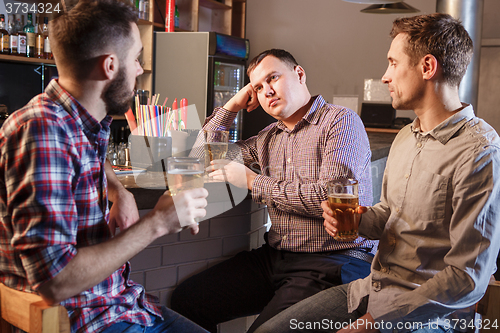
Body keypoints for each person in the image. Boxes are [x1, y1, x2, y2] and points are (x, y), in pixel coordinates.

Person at [253, 13, 500, 333]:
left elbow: (468, 278)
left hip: (428, 312)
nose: (385, 77)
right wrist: (358, 219)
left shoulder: (479, 152)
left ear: (427, 67)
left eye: (393, 64)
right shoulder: (406, 137)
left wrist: (376, 323)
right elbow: (390, 215)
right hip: (371, 288)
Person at [0, 0, 209, 332]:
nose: (140, 69)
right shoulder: (43, 131)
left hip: (122, 305)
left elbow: (87, 157)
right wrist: (158, 222)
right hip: (87, 320)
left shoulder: (81, 122)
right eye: (136, 59)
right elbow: (55, 280)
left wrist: (118, 188)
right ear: (110, 66)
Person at [171, 48, 376, 333]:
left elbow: (331, 200)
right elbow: (198, 158)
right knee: (188, 301)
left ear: (299, 74)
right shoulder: (268, 138)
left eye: (273, 78)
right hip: (275, 258)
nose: (266, 91)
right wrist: (231, 106)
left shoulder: (340, 121)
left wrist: (253, 181)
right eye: (258, 87)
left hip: (334, 260)